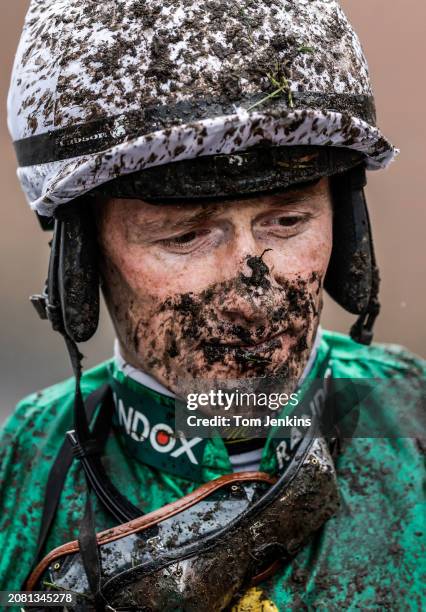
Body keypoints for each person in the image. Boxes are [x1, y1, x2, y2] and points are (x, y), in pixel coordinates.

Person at [1, 0, 424, 610]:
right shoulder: (20, 474)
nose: (254, 299)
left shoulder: (418, 427)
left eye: (288, 220)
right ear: (82, 264)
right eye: (185, 236)